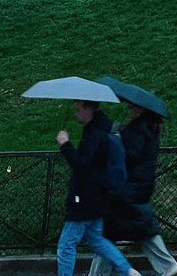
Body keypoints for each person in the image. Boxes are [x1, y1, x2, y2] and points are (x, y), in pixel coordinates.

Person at [88, 107, 177, 276]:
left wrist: (116, 138)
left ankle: (166, 264)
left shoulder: (138, 131)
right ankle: (167, 264)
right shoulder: (149, 129)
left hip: (127, 189)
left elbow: (128, 155)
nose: (129, 108)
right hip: (138, 188)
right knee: (139, 230)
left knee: (109, 233)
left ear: (140, 110)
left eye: (132, 106)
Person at [55, 101, 142, 276]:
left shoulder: (93, 133)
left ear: (88, 109)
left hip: (83, 198)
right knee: (97, 240)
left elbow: (82, 164)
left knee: (66, 246)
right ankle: (127, 270)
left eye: (78, 109)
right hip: (99, 196)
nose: (76, 114)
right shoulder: (104, 128)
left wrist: (65, 145)